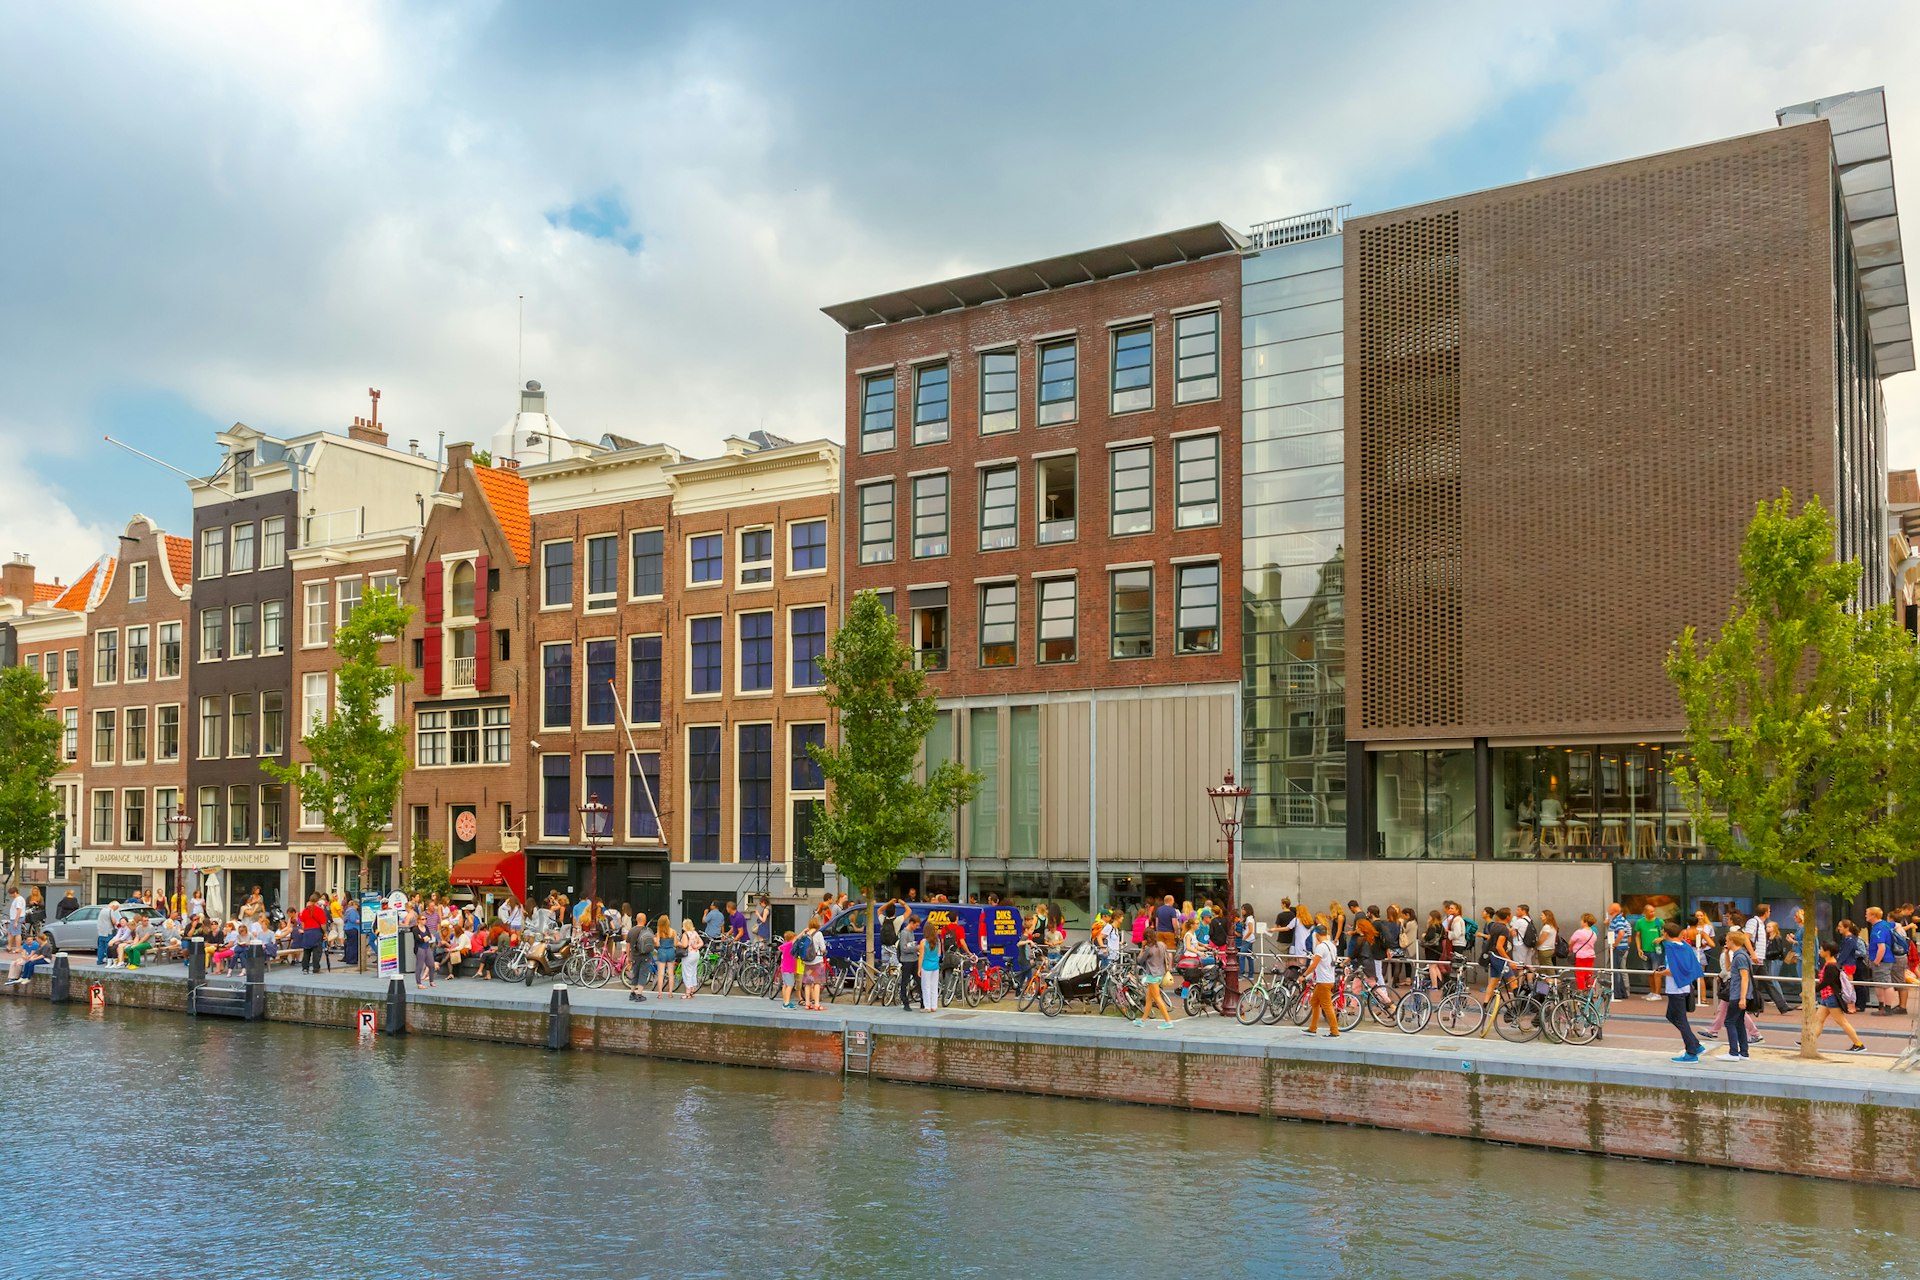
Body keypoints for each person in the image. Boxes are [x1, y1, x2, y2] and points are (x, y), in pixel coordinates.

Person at [1660, 922, 1705, 1063]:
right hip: (1685, 987)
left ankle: (1692, 1051)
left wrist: (1658, 974)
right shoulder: (1685, 946)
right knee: (1671, 1016)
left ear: (1666, 934)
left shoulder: (1671, 948)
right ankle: (1695, 1044)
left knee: (1680, 1020)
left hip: (1675, 989)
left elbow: (1673, 971)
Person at [1811, 941, 1866, 1052]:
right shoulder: (1830, 965)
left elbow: (1825, 983)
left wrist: (1811, 991)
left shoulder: (1831, 966)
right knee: (1818, 1019)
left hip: (1831, 997)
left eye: (1821, 949)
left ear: (1827, 952)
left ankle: (1859, 1044)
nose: (1820, 951)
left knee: (1842, 1021)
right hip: (1826, 998)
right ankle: (1809, 1041)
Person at [1720, 929, 1755, 1060]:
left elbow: (1744, 977)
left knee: (1729, 1021)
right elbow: (1728, 968)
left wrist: (1742, 997)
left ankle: (1733, 1052)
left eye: (1727, 940)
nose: (1725, 942)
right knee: (1739, 1022)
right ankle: (1744, 1052)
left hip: (1738, 993)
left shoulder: (1740, 957)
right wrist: (1727, 953)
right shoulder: (1739, 955)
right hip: (1739, 994)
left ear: (1732, 941)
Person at [1302, 924, 1339, 1039]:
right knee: (1314, 1002)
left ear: (1317, 934)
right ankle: (1312, 1028)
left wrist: (1303, 975)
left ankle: (1334, 1031)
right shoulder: (1332, 945)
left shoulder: (1320, 947)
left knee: (1327, 1006)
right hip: (1328, 979)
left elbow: (1314, 965)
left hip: (1323, 981)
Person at [1632, 905, 1665, 1000]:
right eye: (1650, 911)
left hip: (1657, 950)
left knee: (1657, 972)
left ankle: (1657, 993)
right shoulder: (1640, 922)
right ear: (1645, 912)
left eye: (1653, 911)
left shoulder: (1659, 922)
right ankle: (1652, 991)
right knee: (1649, 972)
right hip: (1645, 950)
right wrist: (1639, 948)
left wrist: (1660, 938)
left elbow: (1666, 935)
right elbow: (1637, 935)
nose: (1653, 913)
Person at [895, 914, 921, 1012]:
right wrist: (916, 948)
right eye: (916, 925)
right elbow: (904, 948)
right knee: (905, 981)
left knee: (918, 980)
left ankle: (922, 1001)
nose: (917, 927)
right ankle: (904, 1000)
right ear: (911, 923)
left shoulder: (911, 932)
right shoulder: (904, 933)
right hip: (907, 961)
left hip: (914, 959)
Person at [918, 916, 943, 1013]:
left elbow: (921, 956)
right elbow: (939, 954)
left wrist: (919, 969)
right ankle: (934, 1006)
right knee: (934, 986)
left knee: (926, 986)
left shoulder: (923, 942)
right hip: (935, 966)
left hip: (926, 966)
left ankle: (927, 1006)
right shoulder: (937, 941)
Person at [1569, 913, 1599, 992]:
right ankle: (1590, 989)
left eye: (1581, 921)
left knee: (1580, 974)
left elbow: (1571, 942)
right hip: (1591, 956)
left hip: (1580, 956)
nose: (1580, 922)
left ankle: (1581, 990)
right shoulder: (1593, 934)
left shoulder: (1579, 932)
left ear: (1585, 922)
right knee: (1589, 973)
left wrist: (1571, 949)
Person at [679, 919, 703, 999]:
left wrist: (678, 943)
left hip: (689, 955)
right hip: (696, 954)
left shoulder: (685, 934)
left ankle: (688, 992)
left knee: (687, 972)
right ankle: (693, 989)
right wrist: (697, 946)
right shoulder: (695, 933)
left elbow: (685, 945)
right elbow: (701, 942)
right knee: (693, 971)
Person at [654, 919, 677, 995]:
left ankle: (660, 993)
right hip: (671, 951)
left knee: (661, 974)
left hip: (662, 952)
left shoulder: (659, 932)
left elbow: (657, 944)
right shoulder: (673, 931)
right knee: (671, 974)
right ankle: (670, 992)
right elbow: (675, 944)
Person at [779, 930, 801, 1009]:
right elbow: (797, 938)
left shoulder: (784, 945)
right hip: (788, 969)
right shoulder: (789, 945)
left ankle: (785, 1001)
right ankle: (786, 1003)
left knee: (785, 985)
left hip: (784, 968)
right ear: (791, 938)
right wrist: (804, 931)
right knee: (790, 985)